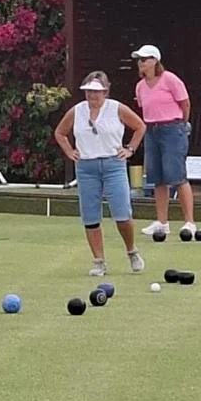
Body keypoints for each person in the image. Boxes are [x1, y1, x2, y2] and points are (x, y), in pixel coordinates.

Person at [53, 72, 147, 276]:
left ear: (105, 91)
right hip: (86, 167)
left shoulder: (116, 108)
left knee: (122, 213)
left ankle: (131, 251)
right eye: (88, 91)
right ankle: (99, 261)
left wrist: (130, 149)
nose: (91, 96)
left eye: (96, 92)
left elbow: (140, 126)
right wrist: (69, 151)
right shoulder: (77, 111)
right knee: (90, 216)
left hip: (113, 165)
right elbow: (60, 132)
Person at [131, 43, 198, 239]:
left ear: (154, 61)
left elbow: (185, 103)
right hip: (151, 130)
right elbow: (145, 108)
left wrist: (181, 124)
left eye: (144, 60)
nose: (141, 63)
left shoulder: (170, 79)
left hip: (172, 129)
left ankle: (189, 222)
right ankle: (162, 222)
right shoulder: (140, 86)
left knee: (177, 176)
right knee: (157, 178)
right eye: (139, 60)